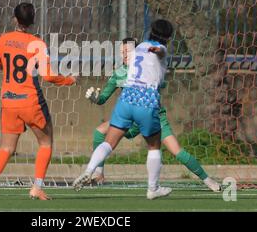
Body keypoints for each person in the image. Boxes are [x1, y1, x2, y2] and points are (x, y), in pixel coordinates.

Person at [0, 3, 76, 201]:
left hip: (9, 101)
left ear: (15, 19)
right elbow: (49, 77)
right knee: (45, 143)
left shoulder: (4, 39)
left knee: (6, 148)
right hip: (31, 101)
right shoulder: (38, 44)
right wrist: (69, 80)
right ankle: (37, 187)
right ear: (32, 21)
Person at [86, 38, 221, 192]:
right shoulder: (119, 74)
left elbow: (160, 76)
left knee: (177, 151)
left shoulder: (149, 68)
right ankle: (99, 174)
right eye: (122, 52)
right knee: (100, 131)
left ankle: (208, 180)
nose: (124, 55)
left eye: (128, 51)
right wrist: (96, 99)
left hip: (154, 116)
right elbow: (103, 98)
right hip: (131, 119)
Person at [73, 19, 174, 199]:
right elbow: (161, 51)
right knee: (154, 145)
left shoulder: (140, 47)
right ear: (167, 37)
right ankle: (153, 188)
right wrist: (158, 50)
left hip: (126, 98)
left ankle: (90, 169)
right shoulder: (161, 48)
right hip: (146, 100)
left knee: (108, 142)